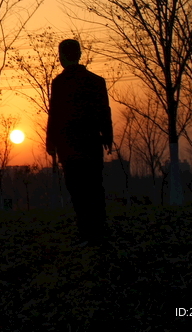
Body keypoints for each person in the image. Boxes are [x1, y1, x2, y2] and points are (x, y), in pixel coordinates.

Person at [46, 39, 113, 245]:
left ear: (62, 57)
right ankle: (99, 231)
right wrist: (107, 136)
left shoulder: (59, 83)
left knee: (77, 190)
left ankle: (87, 232)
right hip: (92, 142)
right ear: (80, 54)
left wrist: (51, 142)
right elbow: (105, 111)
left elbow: (55, 115)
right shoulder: (96, 81)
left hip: (69, 145)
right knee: (94, 187)